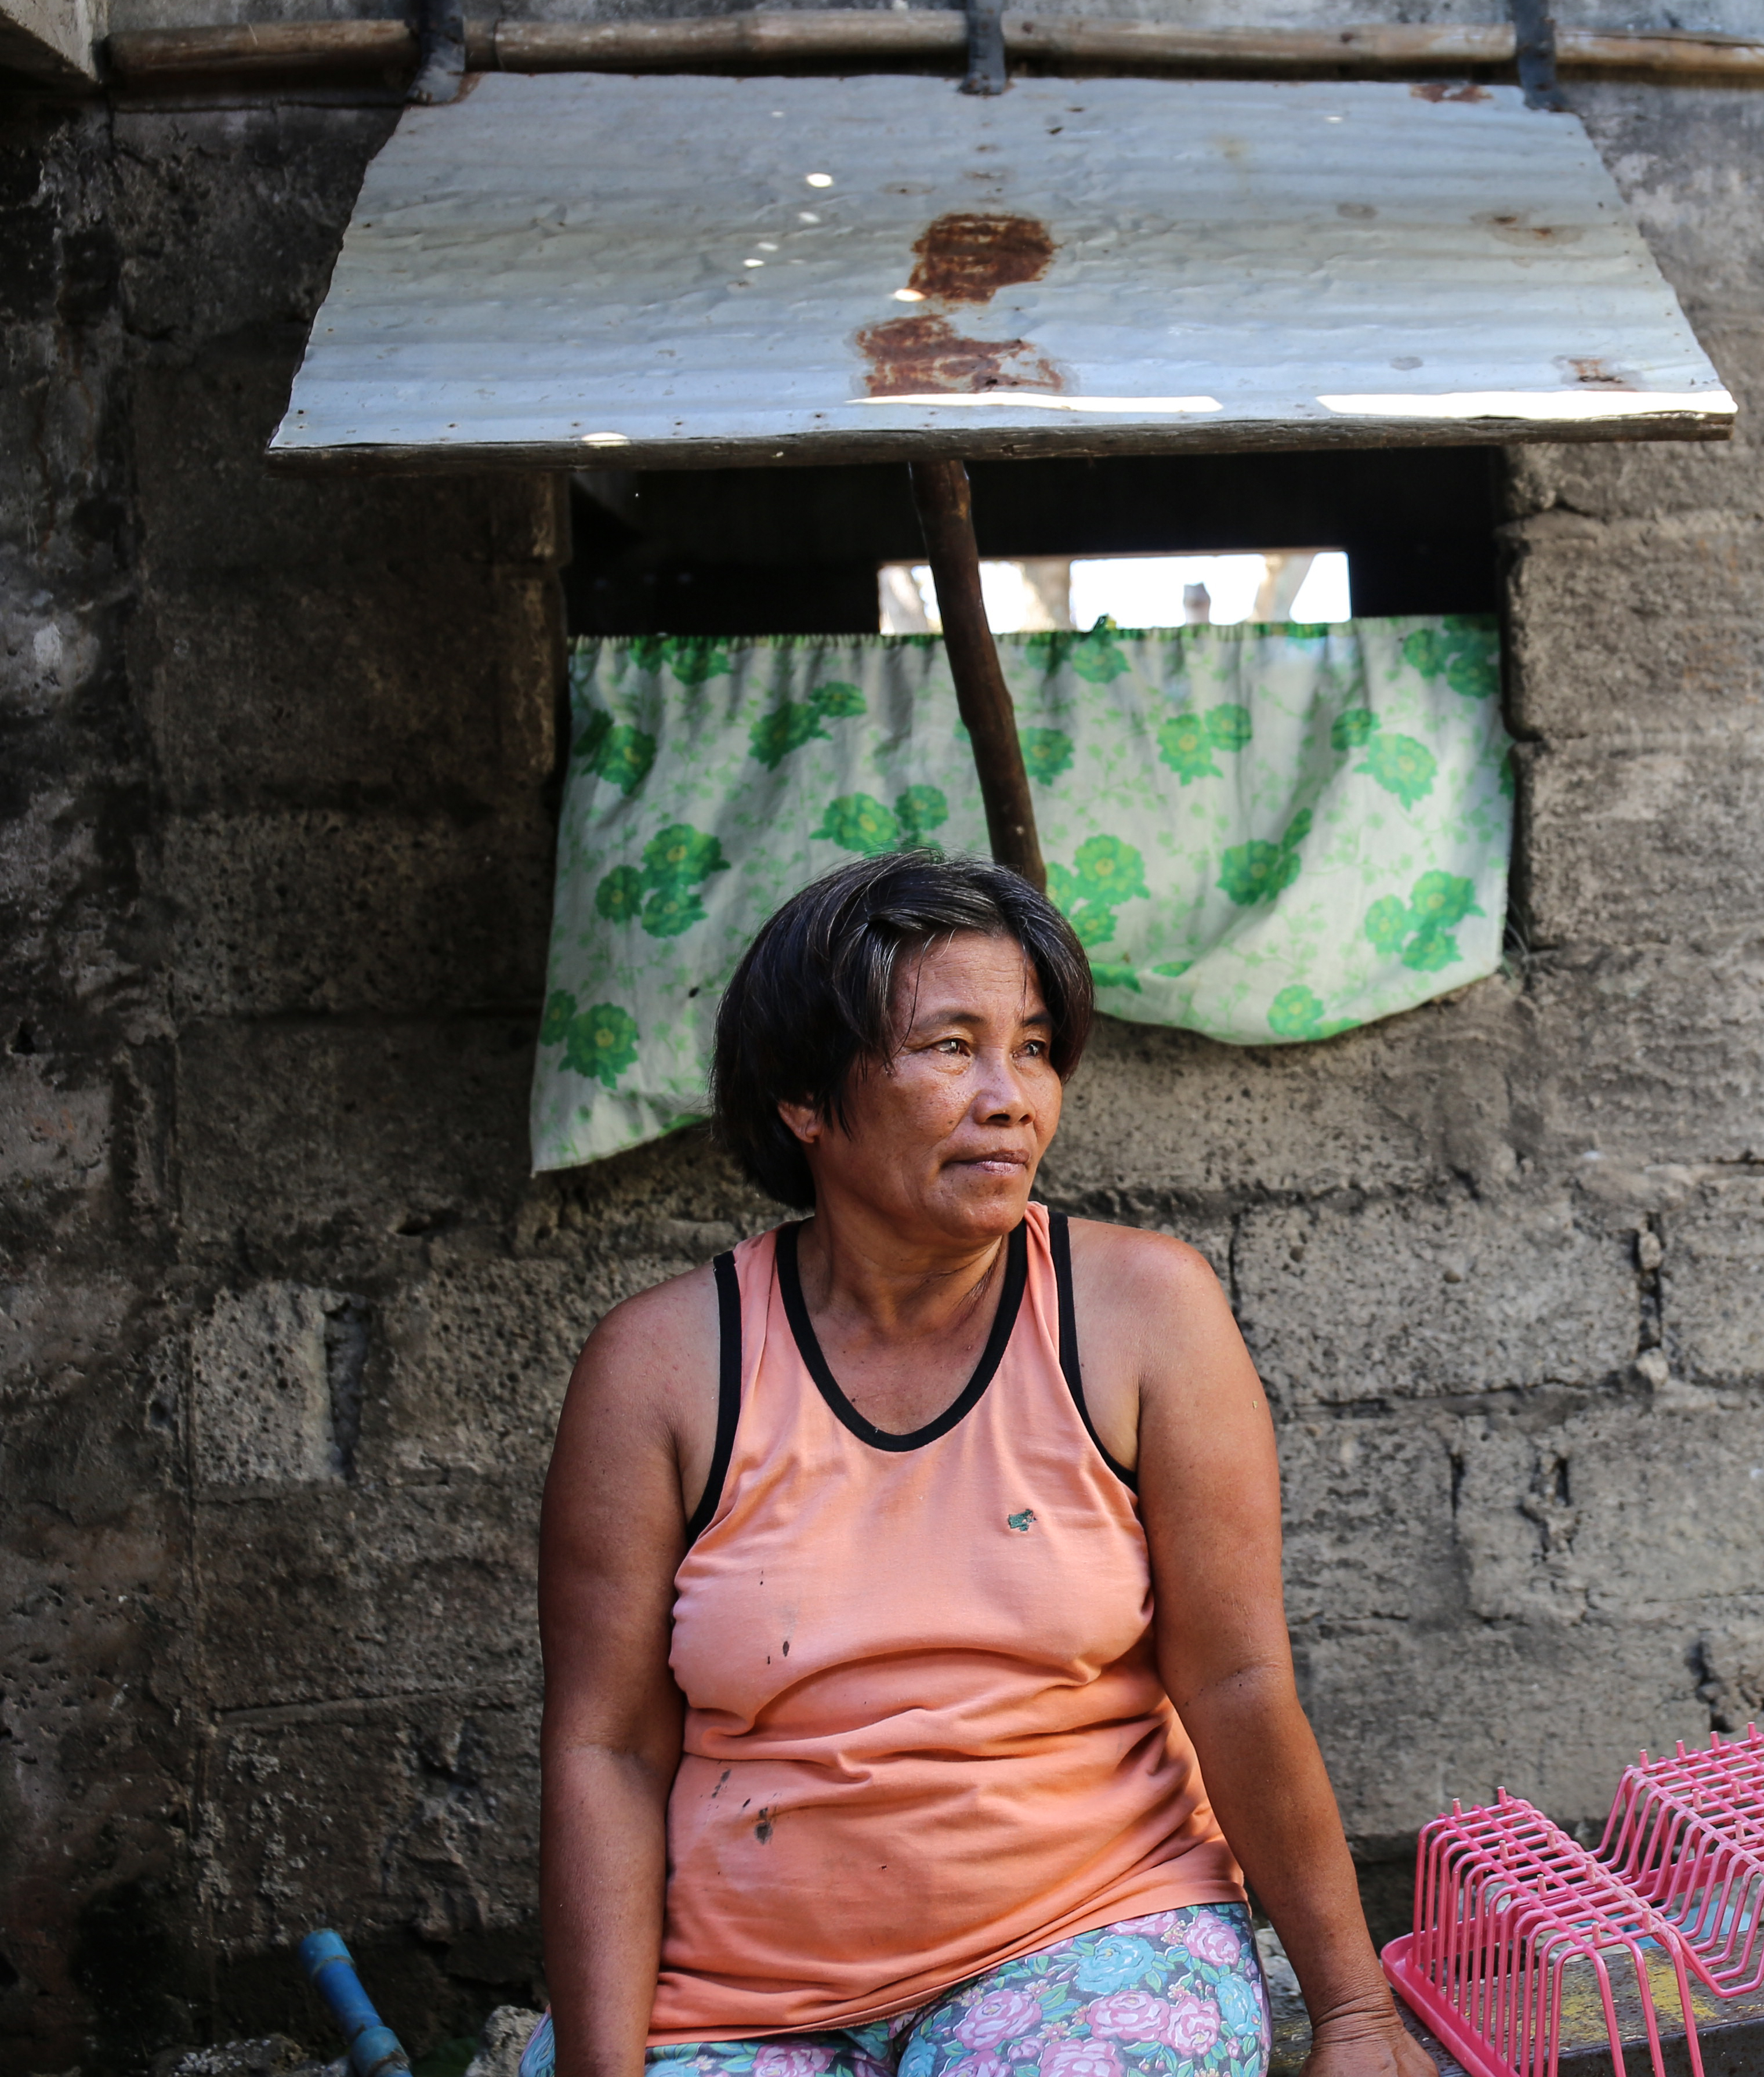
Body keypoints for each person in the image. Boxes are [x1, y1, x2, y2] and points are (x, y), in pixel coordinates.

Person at [533, 854, 1431, 2077]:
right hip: (741, 1993)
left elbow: (1236, 1679)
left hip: (1086, 1948)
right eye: (951, 1047)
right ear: (804, 1095)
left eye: (1035, 1047)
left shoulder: (1140, 1315)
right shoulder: (661, 1371)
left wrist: (1355, 2016)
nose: (1012, 1097)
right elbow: (607, 1752)